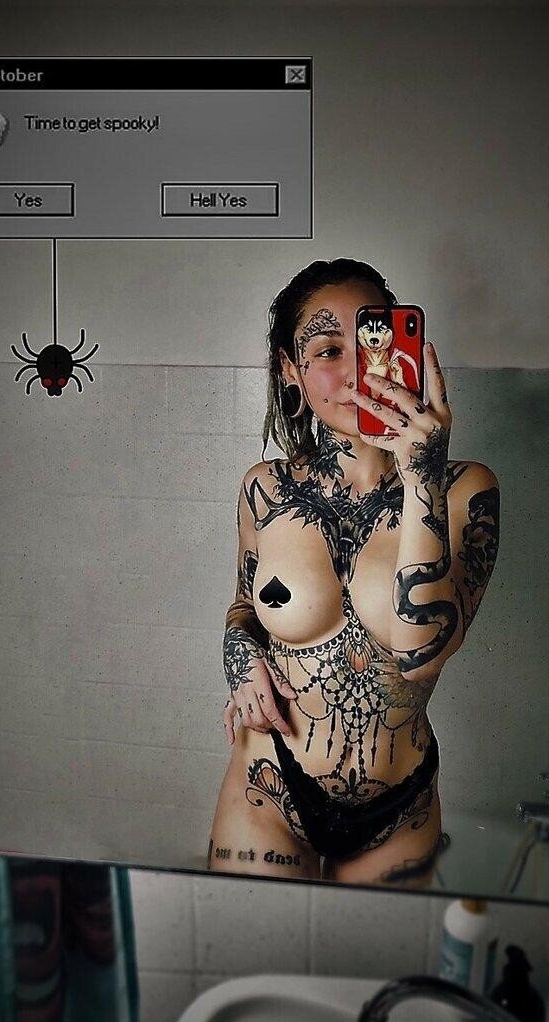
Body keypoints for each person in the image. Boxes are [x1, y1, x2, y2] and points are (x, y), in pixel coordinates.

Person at [208, 259, 500, 886]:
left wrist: (421, 474)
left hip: (400, 808)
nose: (356, 372)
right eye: (327, 350)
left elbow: (419, 654)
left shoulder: (464, 491)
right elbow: (244, 607)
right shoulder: (264, 490)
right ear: (290, 369)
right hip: (267, 785)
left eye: (371, 341)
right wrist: (240, 658)